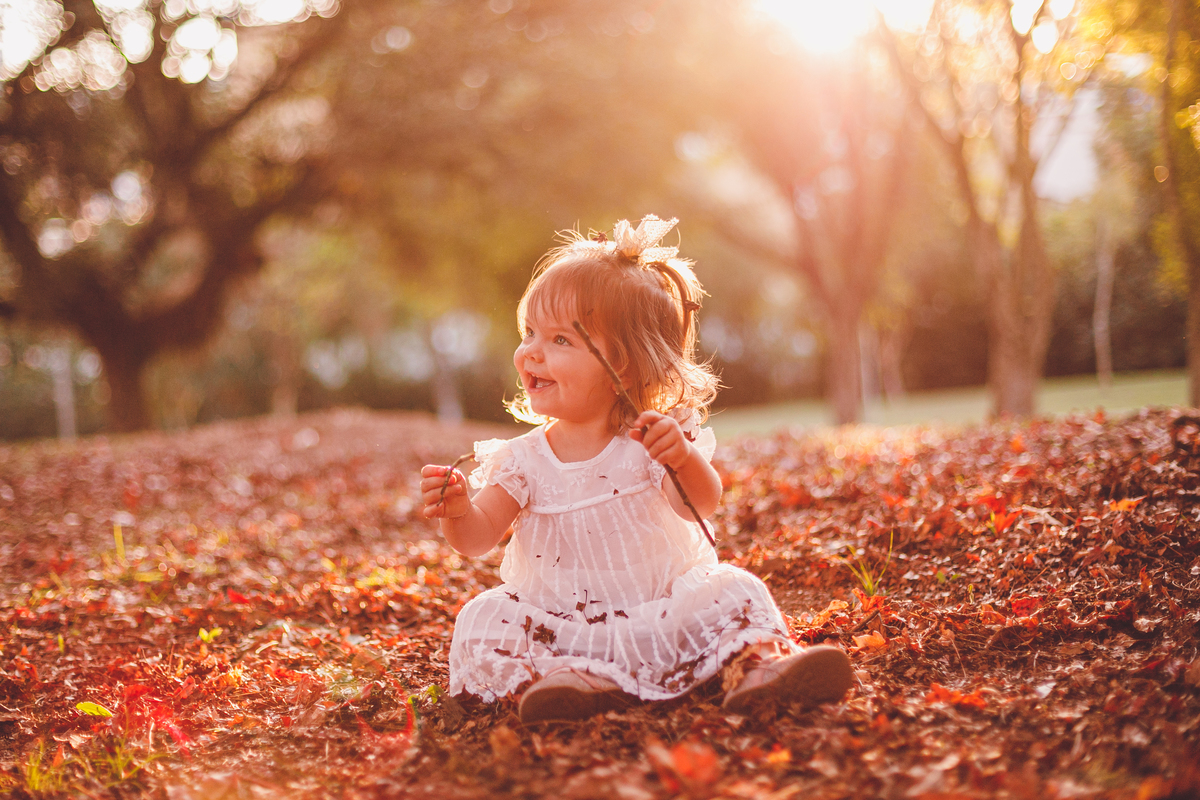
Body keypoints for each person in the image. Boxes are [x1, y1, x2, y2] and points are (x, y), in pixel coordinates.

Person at [419, 215, 852, 722]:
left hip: (661, 612)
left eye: (560, 340)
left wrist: (681, 458)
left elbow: (701, 505)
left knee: (735, 589)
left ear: (621, 366)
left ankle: (758, 667)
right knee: (482, 618)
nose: (531, 351)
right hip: (562, 626)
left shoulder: (651, 437)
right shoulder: (522, 459)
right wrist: (457, 509)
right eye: (530, 332)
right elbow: (476, 539)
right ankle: (580, 684)